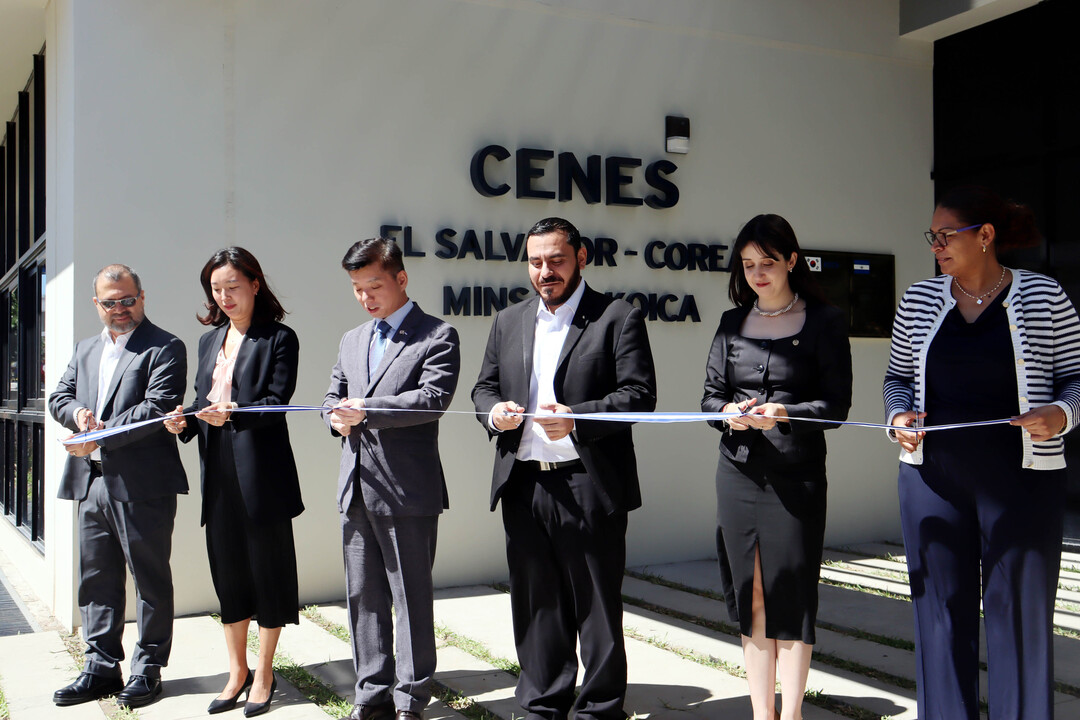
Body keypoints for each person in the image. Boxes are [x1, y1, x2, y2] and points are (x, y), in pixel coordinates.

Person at [885, 186, 1080, 720]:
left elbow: (1076, 377)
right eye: (932, 237)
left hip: (1023, 481)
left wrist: (1062, 414)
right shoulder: (918, 300)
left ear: (985, 235)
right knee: (939, 617)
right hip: (931, 482)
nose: (936, 246)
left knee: (1018, 617)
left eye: (946, 235)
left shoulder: (1043, 295)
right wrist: (898, 418)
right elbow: (897, 378)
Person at [472, 216, 657, 720]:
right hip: (523, 481)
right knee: (536, 602)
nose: (545, 271)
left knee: (595, 604)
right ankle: (541, 702)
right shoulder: (508, 320)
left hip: (587, 481)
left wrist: (577, 420)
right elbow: (484, 387)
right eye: (535, 262)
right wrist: (494, 412)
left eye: (556, 260)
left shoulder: (617, 316)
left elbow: (638, 395)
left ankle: (598, 708)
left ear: (581, 257)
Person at [701, 214, 851, 720]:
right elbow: (709, 400)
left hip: (796, 475)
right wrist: (728, 413)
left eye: (767, 262)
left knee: (792, 593)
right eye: (747, 265)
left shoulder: (826, 321)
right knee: (751, 595)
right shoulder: (731, 323)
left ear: (791, 260)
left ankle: (792, 714)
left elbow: (836, 406)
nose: (757, 274)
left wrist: (784, 413)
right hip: (738, 473)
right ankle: (762, 713)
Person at [322, 237, 460, 720]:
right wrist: (334, 418)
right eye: (357, 288)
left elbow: (432, 399)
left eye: (374, 286)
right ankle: (371, 692)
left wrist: (365, 410)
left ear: (401, 279)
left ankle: (410, 698)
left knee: (410, 599)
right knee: (363, 597)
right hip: (355, 486)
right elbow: (332, 395)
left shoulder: (437, 335)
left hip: (407, 490)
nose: (365, 297)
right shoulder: (352, 339)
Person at [164, 247, 303, 717]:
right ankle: (236, 670)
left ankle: (264, 672)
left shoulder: (279, 338)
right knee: (229, 573)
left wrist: (234, 413)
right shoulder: (209, 341)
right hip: (217, 470)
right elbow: (201, 400)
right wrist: (184, 421)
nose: (224, 296)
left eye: (233, 287)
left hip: (262, 473)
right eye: (216, 289)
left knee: (268, 572)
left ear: (255, 285)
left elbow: (277, 402)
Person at [49, 264, 188, 709]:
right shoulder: (86, 348)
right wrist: (77, 415)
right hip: (91, 481)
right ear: (98, 304)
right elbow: (59, 397)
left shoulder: (165, 346)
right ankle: (100, 667)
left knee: (150, 580)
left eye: (128, 300)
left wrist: (98, 435)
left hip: (143, 484)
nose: (121, 309)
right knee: (96, 580)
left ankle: (148, 671)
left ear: (142, 297)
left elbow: (157, 406)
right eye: (111, 302)